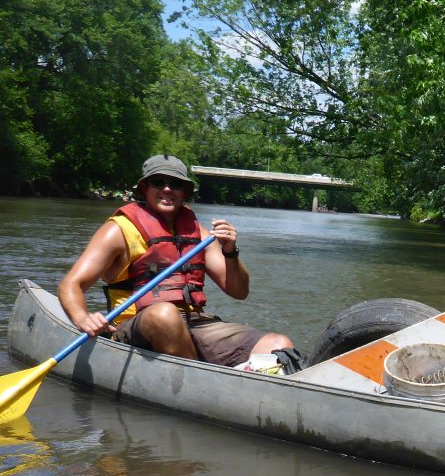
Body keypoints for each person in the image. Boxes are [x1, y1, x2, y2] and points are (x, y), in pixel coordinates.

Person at [59, 154, 296, 368]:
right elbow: (71, 284)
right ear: (144, 188)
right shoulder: (118, 230)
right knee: (164, 314)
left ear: (185, 191)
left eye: (176, 184)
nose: (167, 189)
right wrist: (83, 318)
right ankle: (204, 383)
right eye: (158, 182)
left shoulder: (199, 233)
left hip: (194, 323)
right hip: (135, 325)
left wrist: (230, 251)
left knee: (278, 344)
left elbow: (239, 291)